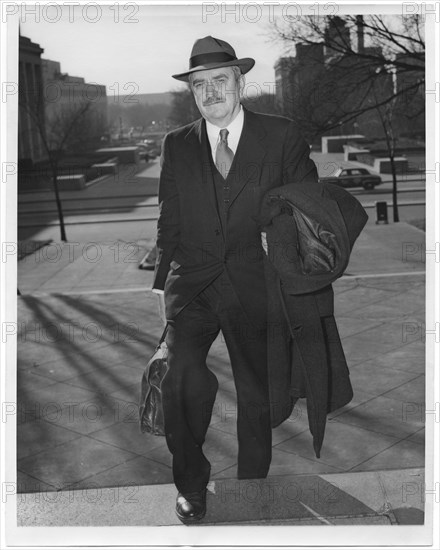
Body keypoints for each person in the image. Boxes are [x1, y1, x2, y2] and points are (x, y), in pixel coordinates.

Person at [151, 36, 318, 523]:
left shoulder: (282, 135)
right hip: (194, 287)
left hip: (257, 285)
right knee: (179, 380)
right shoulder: (176, 145)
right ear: (192, 92)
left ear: (240, 82)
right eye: (199, 85)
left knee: (256, 394)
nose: (209, 92)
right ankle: (191, 485)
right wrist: (161, 286)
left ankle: (251, 486)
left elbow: (306, 202)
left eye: (218, 81)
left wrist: (282, 239)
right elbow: (169, 219)